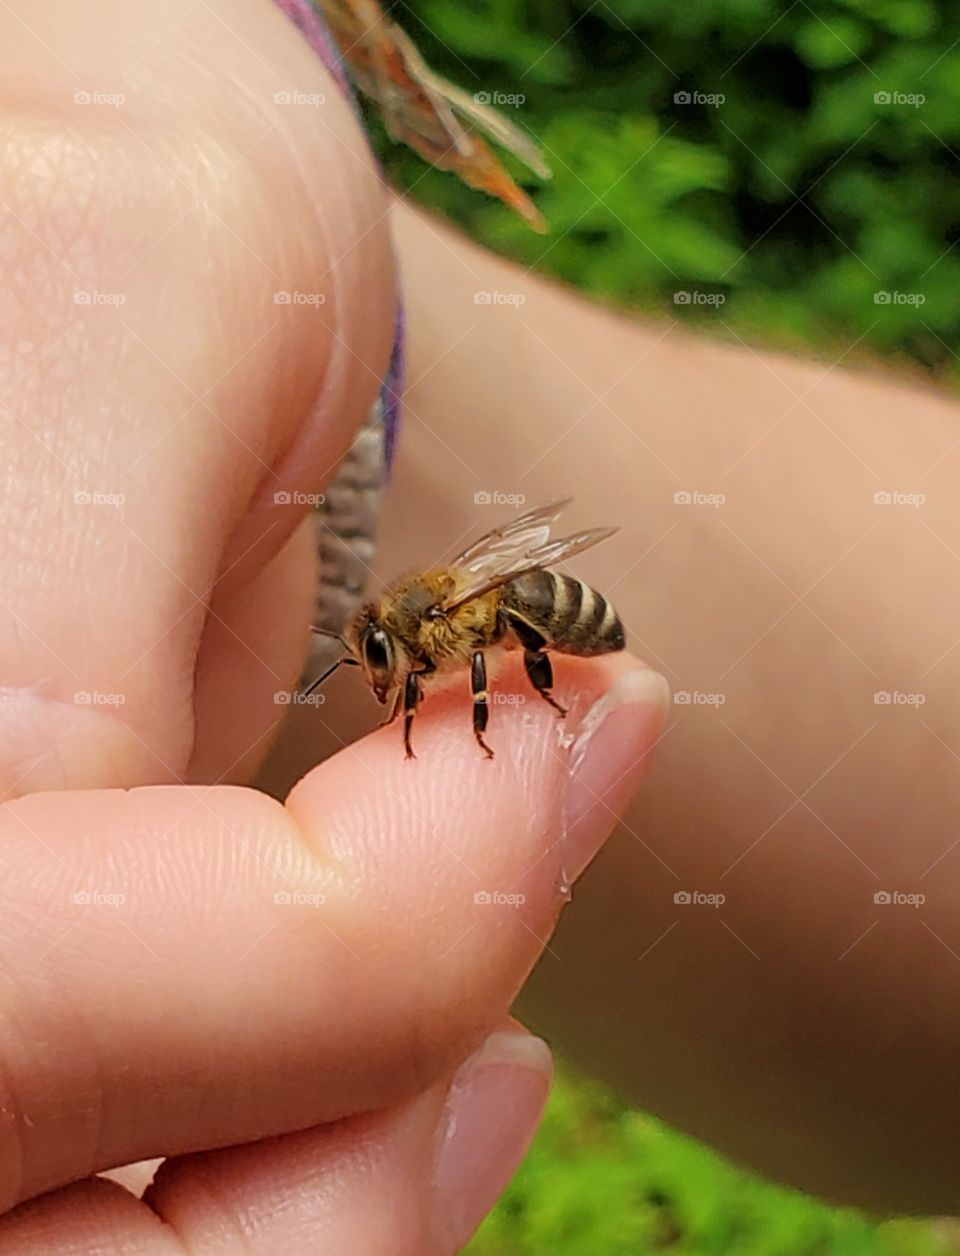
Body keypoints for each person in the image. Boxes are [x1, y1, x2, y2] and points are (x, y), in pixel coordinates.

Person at [0, 2, 954, 1251]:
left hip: (513, 585)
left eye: (389, 665)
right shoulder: (418, 628)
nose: (387, 681)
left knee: (517, 638)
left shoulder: (443, 621)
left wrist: (328, 394)